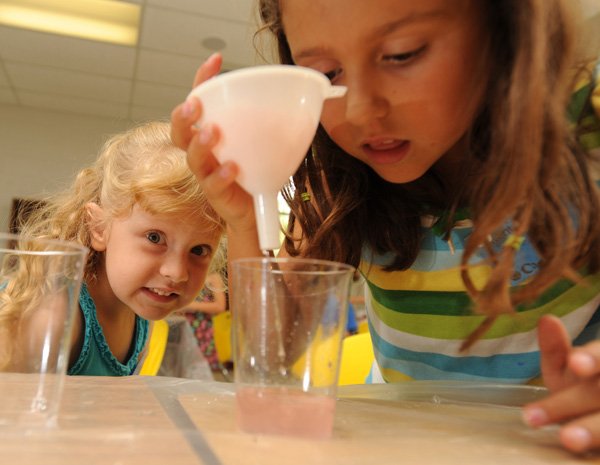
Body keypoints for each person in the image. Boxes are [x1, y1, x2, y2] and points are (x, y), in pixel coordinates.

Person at [171, 0, 600, 454]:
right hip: (397, 442)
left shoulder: (588, 127)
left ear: (504, 25)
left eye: (401, 54)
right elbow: (275, 350)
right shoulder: (332, 179)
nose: (359, 110)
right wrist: (243, 214)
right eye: (325, 73)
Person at [2, 121, 225, 376]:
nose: (177, 273)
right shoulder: (55, 315)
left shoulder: (143, 318)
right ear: (99, 228)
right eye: (154, 237)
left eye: (198, 250)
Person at [180, 271, 228, 372]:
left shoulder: (213, 277)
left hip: (202, 334)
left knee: (201, 370)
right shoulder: (186, 274)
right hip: (181, 330)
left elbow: (220, 306)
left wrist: (190, 306)